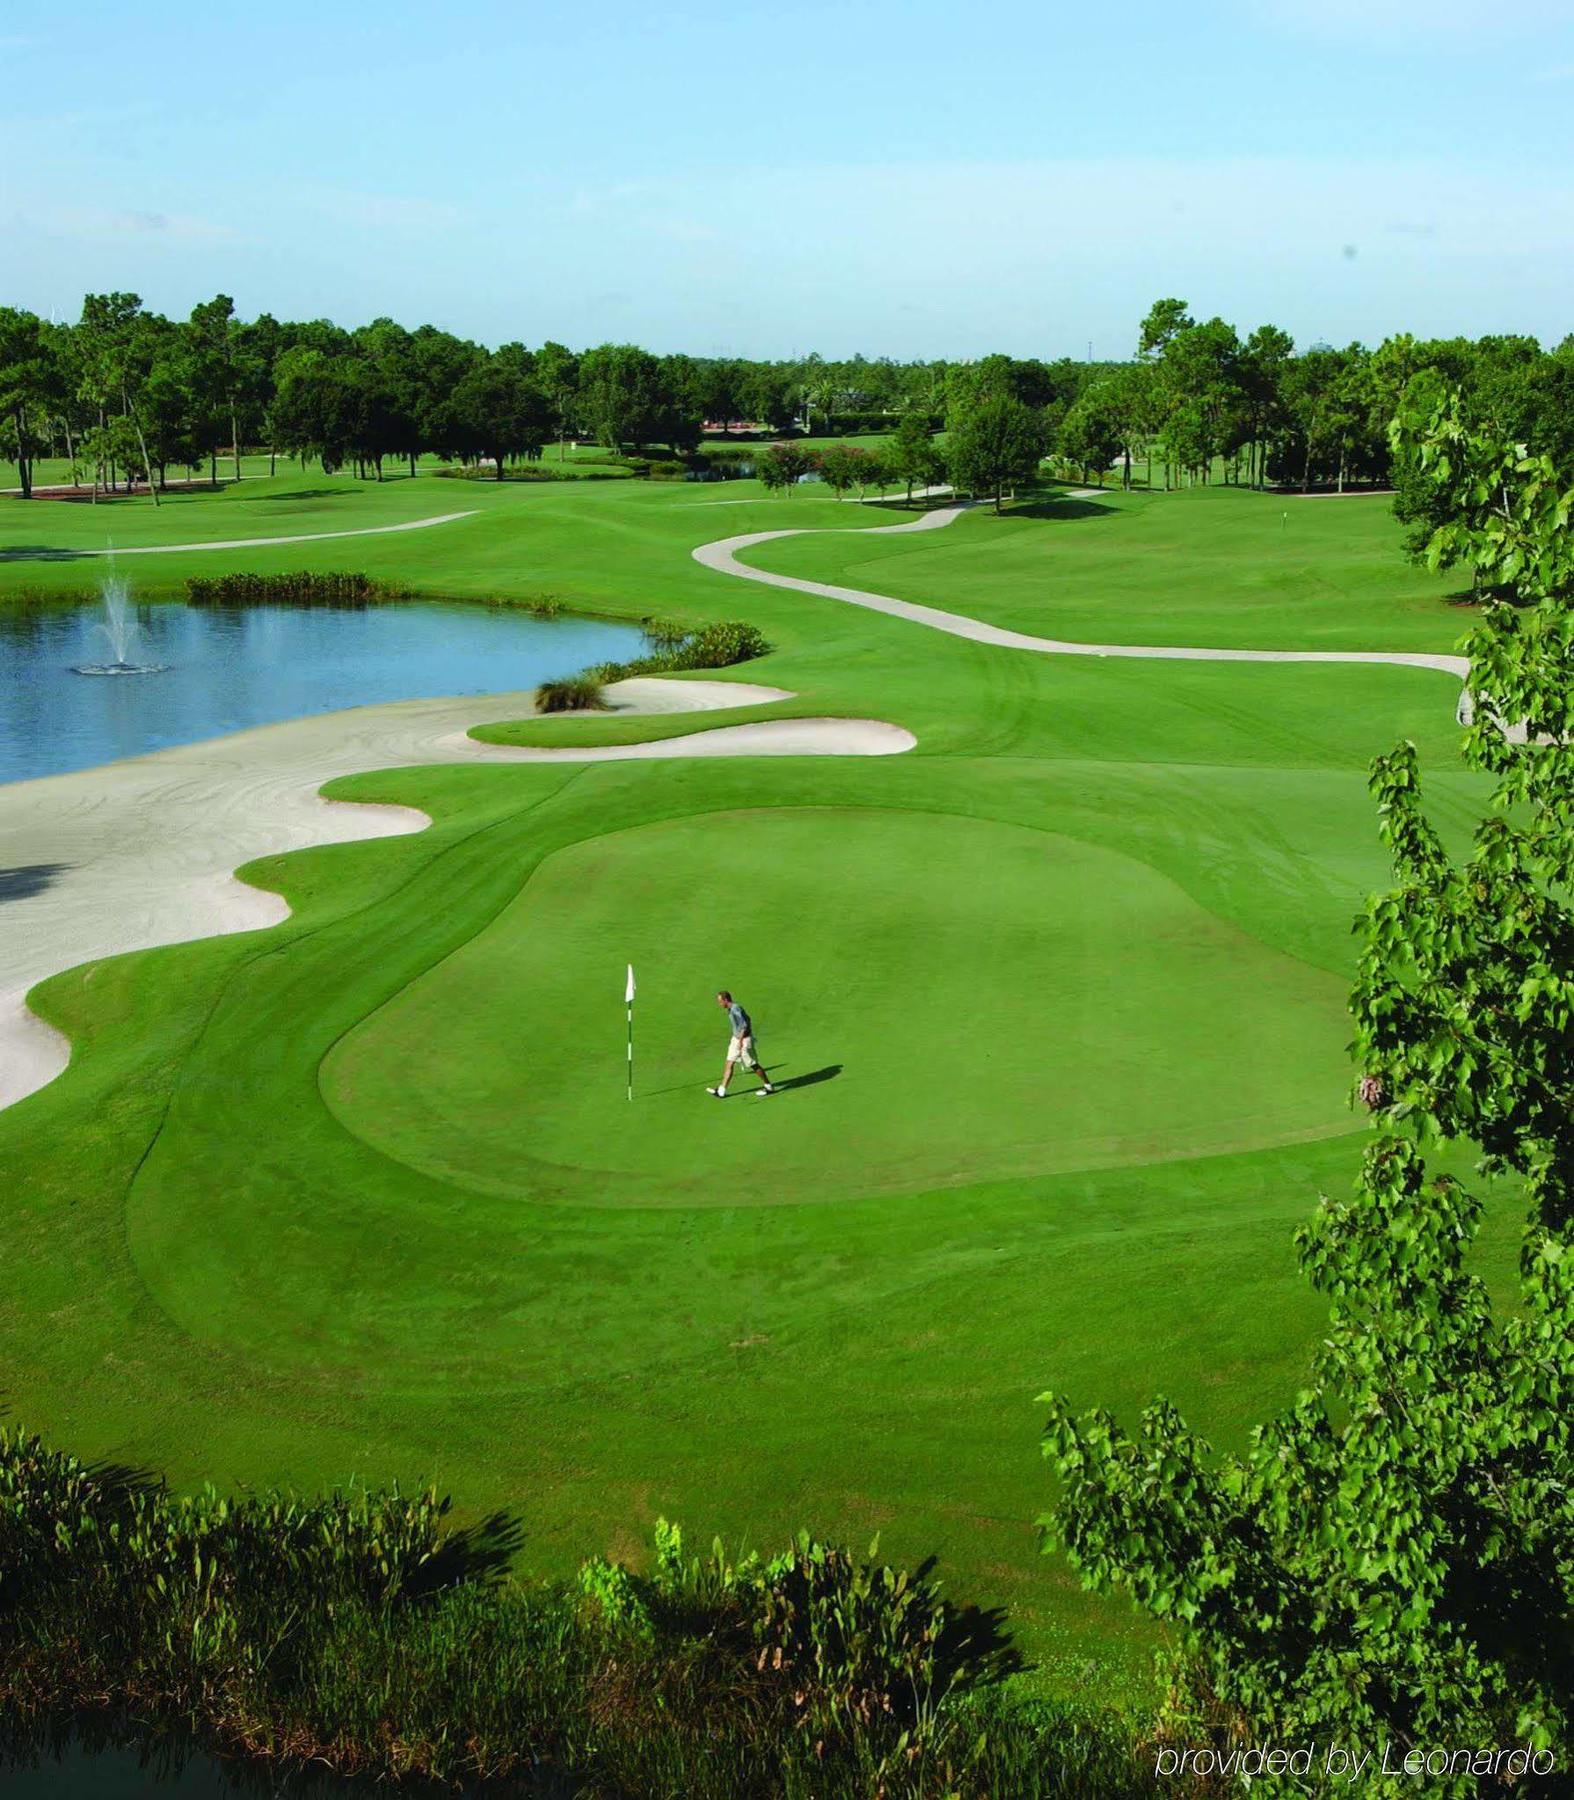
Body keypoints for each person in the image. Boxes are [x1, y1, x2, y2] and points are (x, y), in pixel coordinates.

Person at [707, 990, 774, 1098]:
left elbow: (744, 1025)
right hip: (736, 1039)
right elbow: (748, 1018)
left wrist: (741, 1041)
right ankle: (722, 1090)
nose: (719, 1004)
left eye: (720, 1002)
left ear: (725, 1000)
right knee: (729, 1062)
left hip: (744, 1040)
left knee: (753, 1065)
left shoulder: (735, 1008)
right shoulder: (730, 1009)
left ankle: (768, 1086)